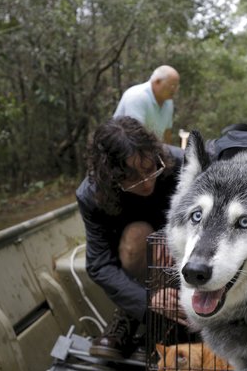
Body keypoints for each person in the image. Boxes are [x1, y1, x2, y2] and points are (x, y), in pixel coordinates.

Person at [76, 117, 184, 358]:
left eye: (149, 170)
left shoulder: (179, 162)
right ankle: (131, 314)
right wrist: (148, 300)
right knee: (137, 236)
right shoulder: (91, 195)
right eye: (131, 178)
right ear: (111, 178)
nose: (146, 183)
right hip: (138, 264)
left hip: (186, 246)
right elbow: (100, 264)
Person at [112, 65, 180, 144]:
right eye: (172, 86)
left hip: (148, 150)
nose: (175, 90)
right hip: (122, 149)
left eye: (176, 86)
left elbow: (166, 134)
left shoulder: (168, 102)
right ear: (157, 82)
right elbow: (134, 136)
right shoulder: (137, 96)